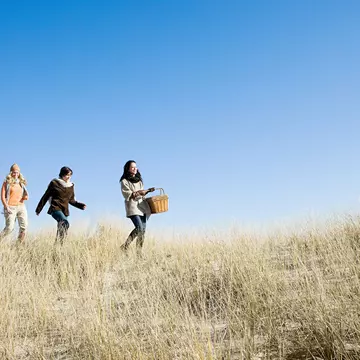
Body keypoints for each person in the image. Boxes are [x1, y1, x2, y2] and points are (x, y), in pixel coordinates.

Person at [35, 166, 86, 244]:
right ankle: (58, 245)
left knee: (63, 228)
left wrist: (80, 206)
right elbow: (46, 196)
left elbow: (71, 200)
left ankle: (59, 247)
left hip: (64, 210)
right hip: (55, 208)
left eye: (70, 175)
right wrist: (38, 209)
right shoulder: (54, 183)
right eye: (67, 175)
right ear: (62, 174)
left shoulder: (71, 186)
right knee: (65, 223)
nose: (69, 177)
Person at [120, 160, 155, 254]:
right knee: (139, 228)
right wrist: (140, 192)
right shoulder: (124, 181)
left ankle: (139, 252)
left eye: (136, 167)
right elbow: (127, 195)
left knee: (143, 231)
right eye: (132, 167)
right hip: (132, 207)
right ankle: (125, 245)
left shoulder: (139, 180)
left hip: (142, 206)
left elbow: (142, 193)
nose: (135, 169)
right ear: (128, 169)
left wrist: (147, 191)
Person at [0, 163, 28, 243]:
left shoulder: (21, 183)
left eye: (17, 172)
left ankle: (19, 244)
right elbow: (2, 196)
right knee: (9, 228)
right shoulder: (6, 183)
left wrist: (25, 197)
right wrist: (6, 206)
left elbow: (23, 194)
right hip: (10, 207)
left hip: (21, 207)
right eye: (14, 172)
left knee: (24, 227)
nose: (15, 174)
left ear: (19, 173)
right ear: (11, 172)